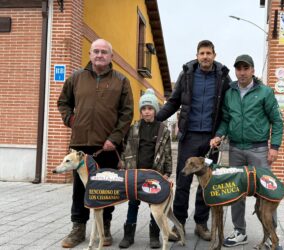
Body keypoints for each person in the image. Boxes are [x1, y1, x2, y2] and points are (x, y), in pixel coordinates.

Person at [57, 38, 133, 248]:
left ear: (111, 57)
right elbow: (63, 102)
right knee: (80, 191)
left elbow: (126, 114)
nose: (99, 55)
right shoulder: (76, 78)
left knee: (106, 188)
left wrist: (114, 139)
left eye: (104, 52)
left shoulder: (121, 81)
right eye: (96, 51)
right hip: (80, 146)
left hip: (107, 146)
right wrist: (71, 120)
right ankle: (78, 228)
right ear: (90, 54)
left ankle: (105, 228)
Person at [156, 40, 231, 241]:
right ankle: (178, 223)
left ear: (214, 55)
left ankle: (201, 223)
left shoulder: (223, 77)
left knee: (206, 184)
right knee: (183, 182)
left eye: (208, 53)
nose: (205, 56)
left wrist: (221, 134)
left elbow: (228, 108)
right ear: (197, 55)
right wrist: (157, 119)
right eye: (202, 53)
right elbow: (173, 101)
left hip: (211, 140)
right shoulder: (187, 74)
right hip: (188, 138)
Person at [210, 54, 284, 248]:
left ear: (252, 70)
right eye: (239, 69)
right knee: (235, 192)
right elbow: (226, 119)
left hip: (258, 149)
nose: (242, 73)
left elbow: (277, 121)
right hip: (234, 149)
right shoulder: (230, 92)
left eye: (246, 68)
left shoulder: (265, 92)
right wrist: (219, 135)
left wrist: (274, 147)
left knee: (266, 192)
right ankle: (239, 232)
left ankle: (270, 236)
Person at [118, 89, 172, 249]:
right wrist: (123, 166)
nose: (147, 112)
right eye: (144, 109)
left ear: (155, 110)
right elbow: (126, 149)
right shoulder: (134, 128)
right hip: (136, 174)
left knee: (155, 205)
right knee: (133, 204)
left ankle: (154, 235)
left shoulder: (163, 130)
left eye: (150, 108)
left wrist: (167, 172)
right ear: (140, 111)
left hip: (154, 174)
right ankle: (128, 235)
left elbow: (168, 152)